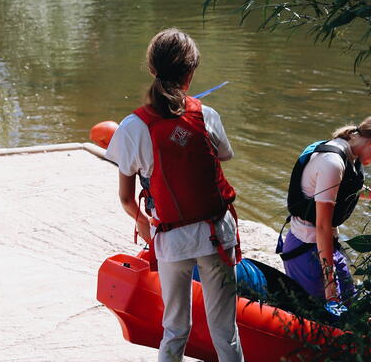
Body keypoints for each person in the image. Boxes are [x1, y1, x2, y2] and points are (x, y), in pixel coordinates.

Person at [105, 28, 244, 362]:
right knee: (225, 331)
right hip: (215, 236)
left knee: (175, 328)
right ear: (191, 72)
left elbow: (126, 198)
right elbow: (222, 157)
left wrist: (142, 222)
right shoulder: (207, 116)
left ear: (152, 69)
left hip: (171, 239)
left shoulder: (132, 127)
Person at [278, 118, 371, 305]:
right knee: (322, 314)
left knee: (350, 306)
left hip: (327, 244)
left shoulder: (352, 154)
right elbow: (322, 226)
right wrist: (330, 284)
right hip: (307, 247)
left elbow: (349, 188)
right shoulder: (332, 162)